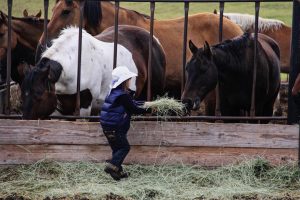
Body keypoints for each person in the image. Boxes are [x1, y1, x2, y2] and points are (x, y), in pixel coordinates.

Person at [100, 66, 149, 181]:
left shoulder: (113, 92)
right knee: (124, 147)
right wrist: (150, 109)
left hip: (106, 125)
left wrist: (146, 103)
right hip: (116, 127)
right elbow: (134, 108)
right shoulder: (123, 95)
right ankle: (112, 166)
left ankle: (118, 172)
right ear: (124, 81)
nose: (130, 81)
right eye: (129, 79)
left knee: (117, 149)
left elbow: (132, 103)